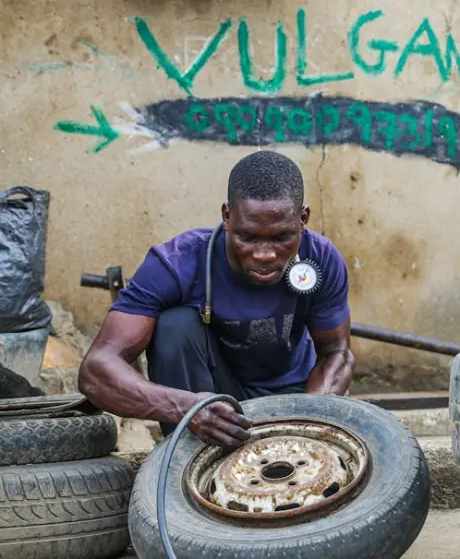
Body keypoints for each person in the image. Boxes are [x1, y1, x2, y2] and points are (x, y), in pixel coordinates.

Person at [78, 150, 355, 447]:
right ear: (226, 216)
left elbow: (336, 352)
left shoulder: (321, 258)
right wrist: (187, 408)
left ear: (303, 219)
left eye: (281, 237)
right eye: (247, 237)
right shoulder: (177, 263)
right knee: (175, 325)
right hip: (209, 402)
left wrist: (308, 418)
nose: (263, 254)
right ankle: (188, 457)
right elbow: (96, 370)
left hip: (294, 393)